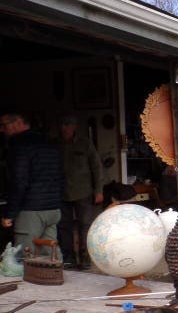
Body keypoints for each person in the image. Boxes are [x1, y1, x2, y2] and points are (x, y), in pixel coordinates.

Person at [0, 112, 63, 258]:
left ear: (18, 122)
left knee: (24, 257)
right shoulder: (49, 142)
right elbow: (61, 175)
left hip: (31, 210)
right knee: (51, 254)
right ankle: (57, 277)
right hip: (53, 208)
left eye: (4, 125)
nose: (1, 130)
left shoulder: (18, 144)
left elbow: (19, 181)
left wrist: (10, 214)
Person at [57, 115, 103, 270]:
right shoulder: (55, 144)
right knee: (64, 226)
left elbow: (96, 167)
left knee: (85, 225)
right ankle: (68, 257)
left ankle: (85, 258)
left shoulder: (85, 143)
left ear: (74, 126)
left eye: (67, 124)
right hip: (61, 192)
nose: (64, 127)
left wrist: (98, 190)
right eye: (62, 124)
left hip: (83, 191)